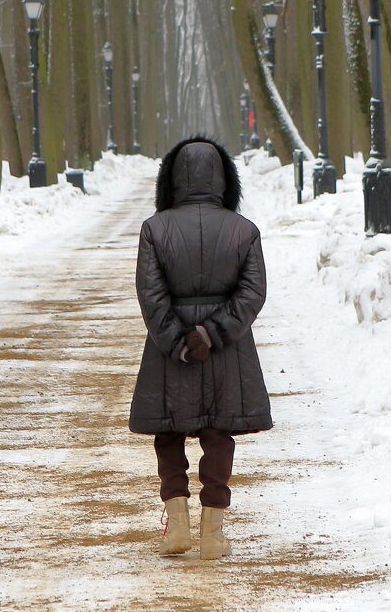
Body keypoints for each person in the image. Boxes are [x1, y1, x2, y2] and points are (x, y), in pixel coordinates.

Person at [129, 135, 272, 560]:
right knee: (218, 433)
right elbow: (252, 293)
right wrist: (211, 334)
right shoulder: (244, 230)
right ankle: (213, 533)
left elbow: (150, 295)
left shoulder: (154, 229)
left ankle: (177, 527)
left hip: (167, 350)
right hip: (226, 350)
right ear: (225, 179)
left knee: (168, 433)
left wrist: (178, 340)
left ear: (171, 179)